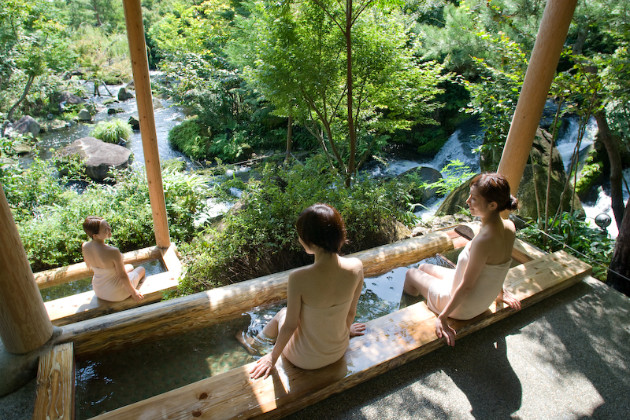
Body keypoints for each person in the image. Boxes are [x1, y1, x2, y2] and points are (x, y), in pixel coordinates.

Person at [245, 204, 366, 380]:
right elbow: (350, 312)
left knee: (282, 314)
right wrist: (345, 331)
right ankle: (257, 344)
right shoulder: (356, 267)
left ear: (308, 241)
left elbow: (290, 325)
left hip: (304, 360)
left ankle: (255, 345)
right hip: (338, 350)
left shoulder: (299, 278)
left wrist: (272, 358)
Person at [404, 172, 522, 346]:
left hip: (462, 308)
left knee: (411, 273)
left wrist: (443, 318)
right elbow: (500, 266)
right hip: (482, 299)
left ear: (492, 205)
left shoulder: (483, 241)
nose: (467, 201)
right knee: (424, 268)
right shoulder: (509, 227)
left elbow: (466, 286)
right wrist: (500, 293)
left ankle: (411, 308)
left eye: (474, 198)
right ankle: (424, 293)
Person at [82, 216, 145, 302]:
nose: (109, 229)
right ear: (95, 235)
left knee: (129, 266)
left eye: (108, 225)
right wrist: (134, 293)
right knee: (141, 269)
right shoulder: (113, 251)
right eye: (105, 229)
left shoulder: (85, 246)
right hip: (116, 293)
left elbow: (88, 265)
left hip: (99, 290)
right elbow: (122, 276)